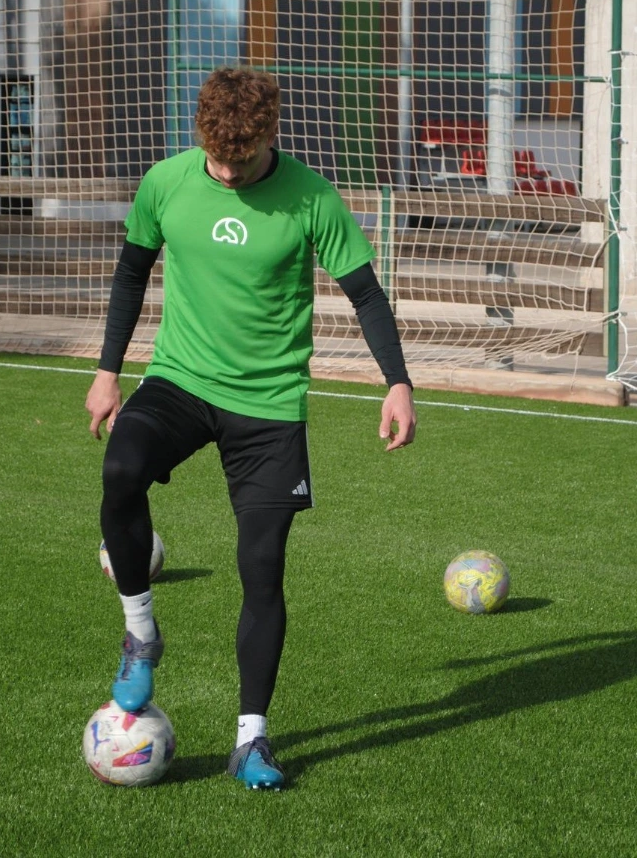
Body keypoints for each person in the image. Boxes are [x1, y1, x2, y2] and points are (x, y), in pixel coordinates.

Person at [85, 66, 416, 791]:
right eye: (217, 157)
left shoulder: (311, 197)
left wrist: (397, 381)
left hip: (268, 407)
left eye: (242, 158)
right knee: (119, 471)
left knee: (262, 566)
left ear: (271, 135)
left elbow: (364, 292)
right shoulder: (166, 183)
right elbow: (130, 275)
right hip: (178, 382)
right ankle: (141, 635)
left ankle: (251, 739)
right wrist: (109, 371)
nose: (227, 172)